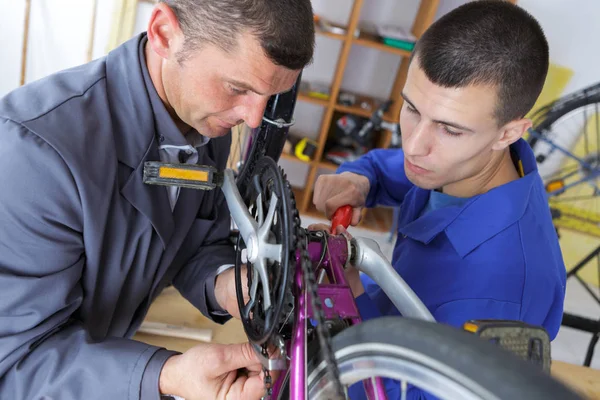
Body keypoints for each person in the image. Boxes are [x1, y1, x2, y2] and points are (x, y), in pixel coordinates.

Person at [0, 0, 314, 399]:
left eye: (271, 96)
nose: (253, 119)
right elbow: (15, 365)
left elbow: (190, 243)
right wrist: (164, 375)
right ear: (165, 33)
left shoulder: (204, 122)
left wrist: (237, 287)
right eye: (238, 88)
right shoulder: (36, 155)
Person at [313, 1, 566, 398]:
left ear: (509, 132)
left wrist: (350, 296)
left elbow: (404, 391)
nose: (414, 146)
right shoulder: (466, 165)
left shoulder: (497, 288)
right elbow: (388, 168)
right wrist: (358, 179)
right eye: (411, 109)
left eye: (450, 129)